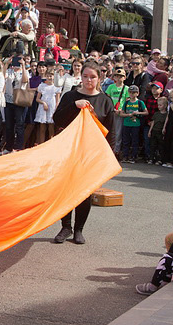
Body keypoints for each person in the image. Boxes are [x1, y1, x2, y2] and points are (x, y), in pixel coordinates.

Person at [52, 62, 116, 244]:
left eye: (93, 77)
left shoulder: (105, 101)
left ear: (99, 78)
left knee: (84, 192)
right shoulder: (71, 96)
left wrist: (109, 157)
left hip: (91, 153)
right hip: (68, 150)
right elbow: (57, 119)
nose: (89, 80)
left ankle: (79, 229)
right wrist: (74, 105)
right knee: (66, 190)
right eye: (86, 76)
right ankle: (65, 227)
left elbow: (111, 131)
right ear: (81, 77)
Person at [118, 85, 147, 163]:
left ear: (137, 93)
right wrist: (128, 115)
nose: (132, 94)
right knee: (126, 141)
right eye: (130, 92)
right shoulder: (126, 102)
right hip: (126, 123)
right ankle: (125, 156)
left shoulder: (140, 102)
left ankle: (133, 157)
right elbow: (121, 114)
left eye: (134, 93)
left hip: (136, 124)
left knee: (135, 141)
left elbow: (146, 112)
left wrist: (137, 113)